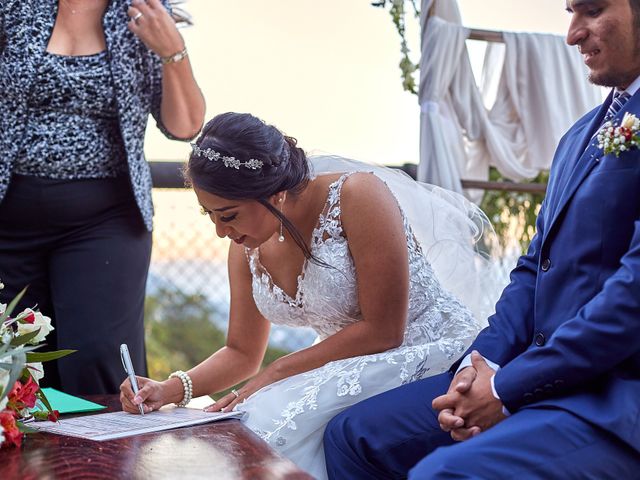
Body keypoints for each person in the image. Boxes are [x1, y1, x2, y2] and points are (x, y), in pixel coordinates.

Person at [323, 0, 640, 478]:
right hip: (531, 370)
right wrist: (482, 365)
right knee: (354, 435)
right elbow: (536, 266)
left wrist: (508, 388)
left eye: (593, 11)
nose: (573, 34)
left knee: (444, 474)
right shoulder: (579, 135)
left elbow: (631, 302)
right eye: (571, 13)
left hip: (612, 396)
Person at [119, 112, 498, 478]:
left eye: (228, 215)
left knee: (268, 428)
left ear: (275, 193)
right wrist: (171, 389)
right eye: (210, 216)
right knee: (237, 429)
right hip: (344, 363)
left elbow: (385, 331)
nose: (220, 231)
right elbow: (241, 352)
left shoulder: (356, 195)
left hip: (425, 350)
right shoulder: (246, 244)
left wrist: (280, 370)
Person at [0, 0, 205, 395]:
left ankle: (102, 458)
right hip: (9, 219)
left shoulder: (141, 12)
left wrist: (171, 51)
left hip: (105, 221)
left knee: (98, 361)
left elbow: (185, 127)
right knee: (15, 366)